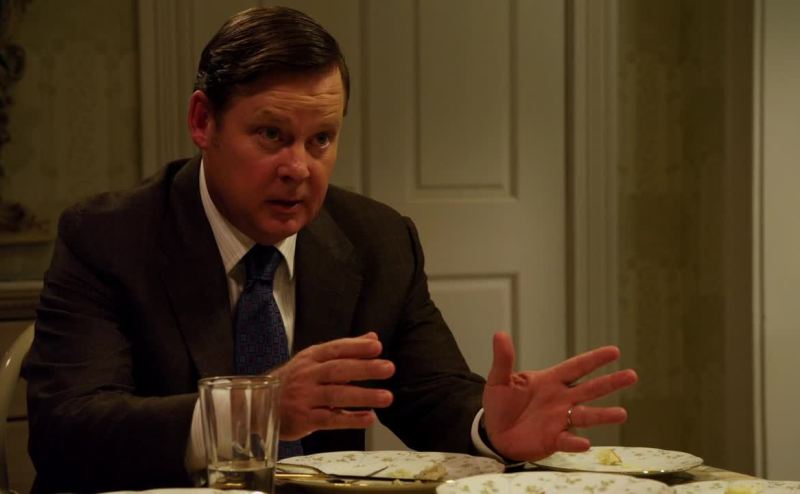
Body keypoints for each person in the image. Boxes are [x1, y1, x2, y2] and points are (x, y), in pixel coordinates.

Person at [22, 6, 637, 493]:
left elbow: (428, 392)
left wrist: (492, 428)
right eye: (271, 134)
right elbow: (67, 433)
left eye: (321, 139)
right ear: (203, 122)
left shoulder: (377, 240)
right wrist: (255, 412)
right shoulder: (110, 237)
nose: (299, 168)